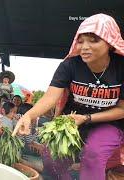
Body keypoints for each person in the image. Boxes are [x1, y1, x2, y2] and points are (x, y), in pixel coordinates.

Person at [13, 14, 124, 180]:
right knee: (51, 157)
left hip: (108, 123)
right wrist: (29, 116)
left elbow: (122, 110)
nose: (84, 47)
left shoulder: (121, 67)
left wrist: (86, 118)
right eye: (81, 41)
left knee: (93, 154)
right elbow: (50, 97)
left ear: (109, 42)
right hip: (70, 121)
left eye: (93, 40)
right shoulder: (70, 65)